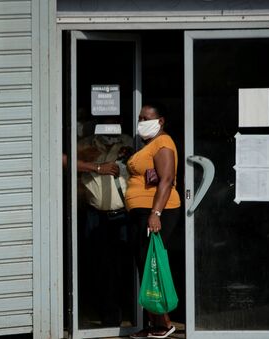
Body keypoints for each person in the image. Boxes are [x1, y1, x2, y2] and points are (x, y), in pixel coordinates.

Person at [126, 103, 181, 339]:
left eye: (146, 118)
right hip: (142, 212)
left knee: (152, 265)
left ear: (160, 121)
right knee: (144, 265)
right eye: (139, 118)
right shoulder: (149, 146)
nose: (141, 122)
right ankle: (152, 323)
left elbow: (167, 179)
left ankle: (165, 323)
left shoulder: (163, 143)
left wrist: (155, 213)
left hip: (158, 211)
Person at [76, 116, 135, 327]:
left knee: (125, 266)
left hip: (123, 215)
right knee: (101, 267)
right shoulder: (86, 145)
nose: (111, 125)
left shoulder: (129, 143)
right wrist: (97, 167)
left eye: (115, 120)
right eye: (106, 121)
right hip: (95, 215)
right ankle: (109, 317)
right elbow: (62, 159)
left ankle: (134, 314)